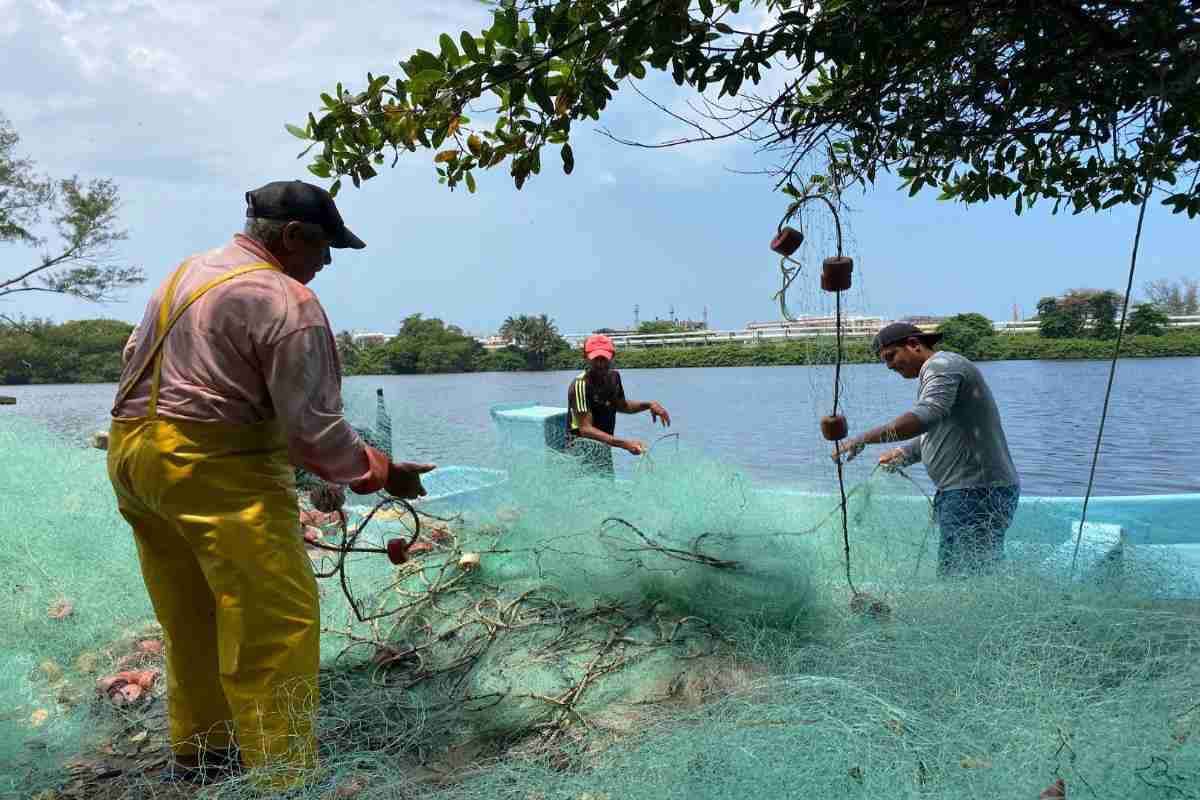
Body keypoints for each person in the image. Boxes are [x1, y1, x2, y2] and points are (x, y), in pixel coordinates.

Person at [107, 180, 435, 788]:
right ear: (292, 237)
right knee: (274, 623)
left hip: (133, 457)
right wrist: (382, 472)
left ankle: (203, 757)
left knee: (193, 614)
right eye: (326, 246)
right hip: (211, 465)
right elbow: (313, 430)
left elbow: (133, 355)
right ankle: (285, 779)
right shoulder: (284, 299)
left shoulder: (185, 273)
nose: (327, 262)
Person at [831, 322, 1020, 576]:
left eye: (891, 356)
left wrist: (862, 439)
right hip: (970, 491)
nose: (889, 366)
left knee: (961, 580)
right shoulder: (938, 370)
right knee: (974, 573)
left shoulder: (941, 366)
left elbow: (926, 417)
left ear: (913, 344)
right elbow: (940, 430)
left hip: (976, 493)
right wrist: (904, 454)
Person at [565, 334, 671, 473]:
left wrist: (649, 405)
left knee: (606, 487)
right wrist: (625, 444)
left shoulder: (614, 377)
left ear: (612, 356)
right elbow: (586, 429)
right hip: (581, 450)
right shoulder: (579, 385)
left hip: (604, 447)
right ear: (585, 357)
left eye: (604, 359)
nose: (600, 364)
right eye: (596, 359)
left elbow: (621, 406)